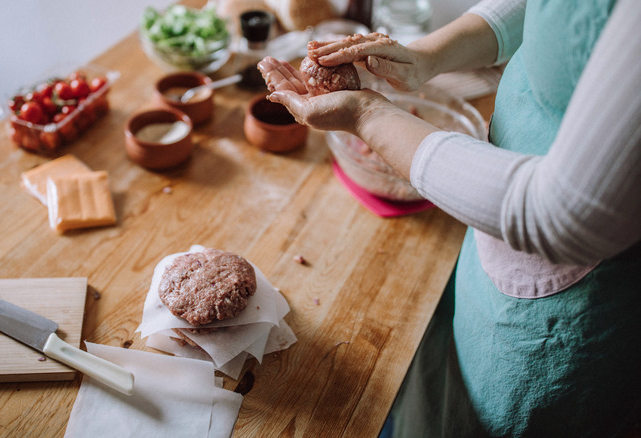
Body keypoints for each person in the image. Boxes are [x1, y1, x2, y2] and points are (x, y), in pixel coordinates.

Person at [258, 0, 640, 436]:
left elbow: (569, 217)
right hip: (491, 202)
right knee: (431, 388)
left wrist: (370, 115)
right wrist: (423, 58)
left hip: (573, 296)